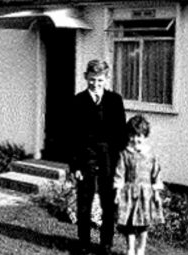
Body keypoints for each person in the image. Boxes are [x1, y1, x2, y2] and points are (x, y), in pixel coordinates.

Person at [69, 59, 127, 255]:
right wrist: (75, 166)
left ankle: (106, 244)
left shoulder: (115, 100)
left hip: (109, 159)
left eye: (100, 80)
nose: (95, 84)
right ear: (86, 77)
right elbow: (72, 136)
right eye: (92, 79)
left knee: (108, 203)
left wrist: (120, 164)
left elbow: (121, 135)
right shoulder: (77, 101)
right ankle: (83, 243)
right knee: (84, 202)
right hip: (86, 158)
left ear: (106, 79)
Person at [113, 115, 165, 255]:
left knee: (143, 224)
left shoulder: (151, 155)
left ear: (145, 136)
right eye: (132, 135)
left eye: (139, 136)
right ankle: (130, 249)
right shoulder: (124, 153)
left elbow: (156, 174)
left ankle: (140, 249)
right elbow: (120, 173)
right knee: (130, 224)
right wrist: (118, 192)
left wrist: (156, 193)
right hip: (129, 193)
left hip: (146, 194)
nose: (135, 139)